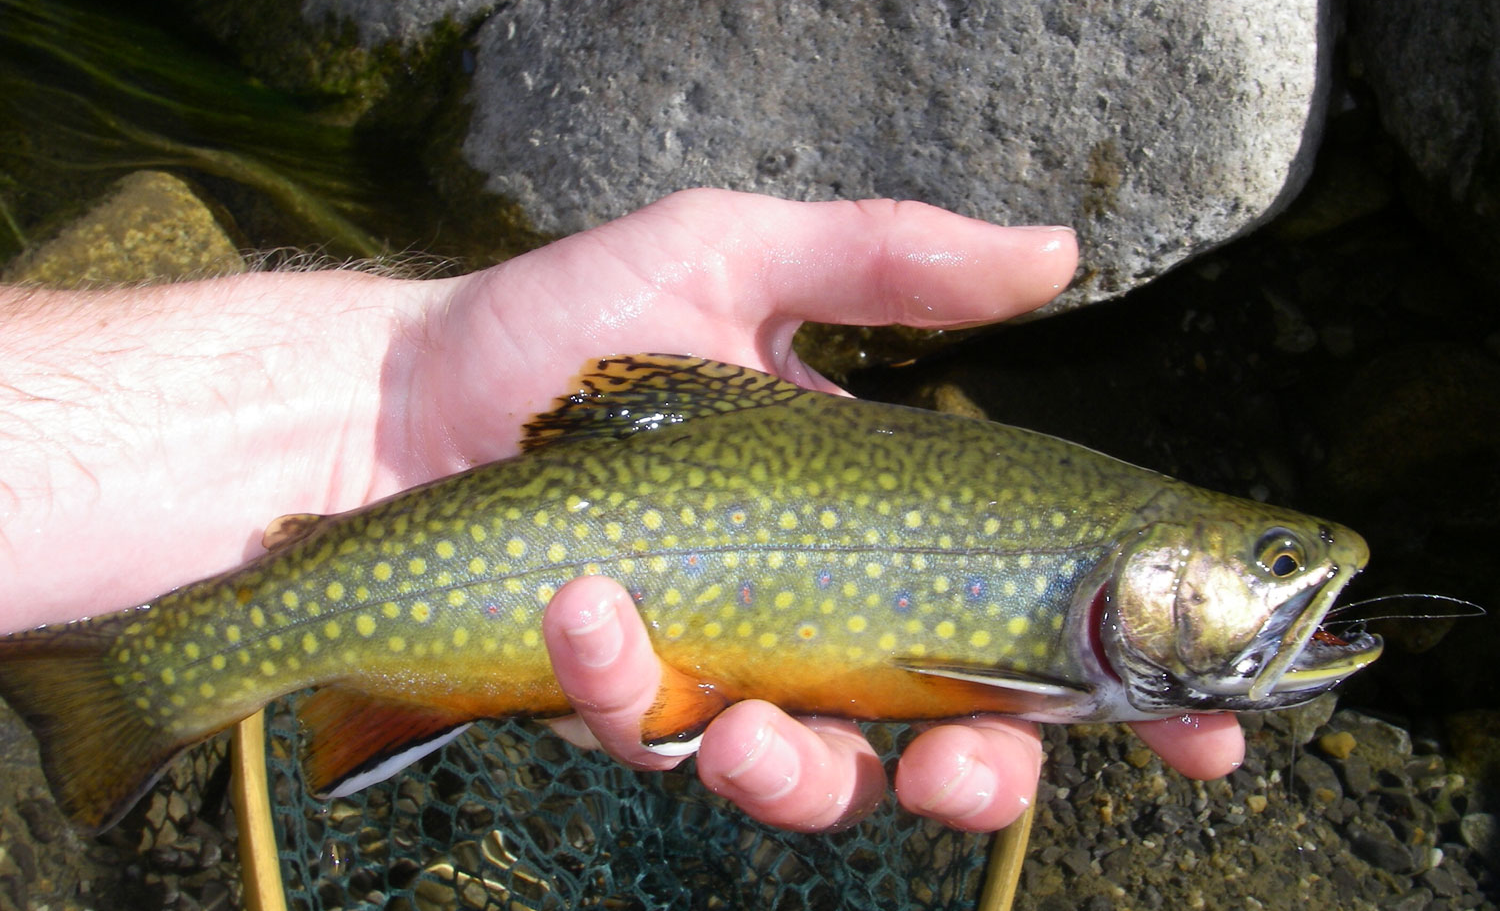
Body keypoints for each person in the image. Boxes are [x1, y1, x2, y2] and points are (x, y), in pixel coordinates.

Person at [0, 189, 1243, 833]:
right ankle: (123, 687)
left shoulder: (1083, 514)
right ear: (1151, 564)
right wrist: (394, 386)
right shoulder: (1080, 542)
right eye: (1275, 561)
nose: (1298, 582)